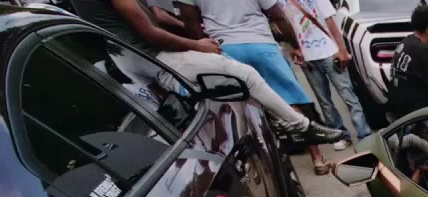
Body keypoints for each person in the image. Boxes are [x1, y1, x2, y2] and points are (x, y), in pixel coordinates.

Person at [68, 0, 342, 145]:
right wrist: (198, 45)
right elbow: (150, 32)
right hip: (154, 57)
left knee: (223, 90)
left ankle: (282, 124)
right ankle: (301, 127)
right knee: (244, 75)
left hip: (131, 63)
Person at [176, 0, 335, 173]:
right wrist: (296, 46)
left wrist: (207, 47)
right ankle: (318, 158)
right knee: (289, 101)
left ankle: (255, 167)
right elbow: (278, 16)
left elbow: (190, 23)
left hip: (225, 48)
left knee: (240, 106)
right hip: (262, 45)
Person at [282, 0, 373, 152]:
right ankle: (340, 135)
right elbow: (286, 26)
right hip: (307, 58)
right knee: (324, 101)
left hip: (330, 52)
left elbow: (330, 21)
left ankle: (364, 135)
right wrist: (294, 48)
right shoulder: (281, 2)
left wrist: (342, 50)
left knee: (348, 96)